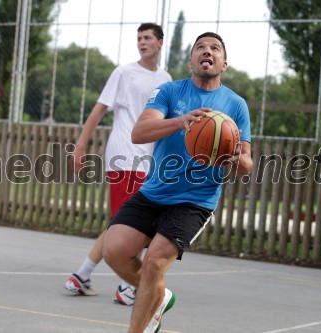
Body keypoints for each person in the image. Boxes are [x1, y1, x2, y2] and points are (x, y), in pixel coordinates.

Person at [102, 32, 253, 333]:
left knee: (155, 262)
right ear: (191, 60)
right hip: (154, 192)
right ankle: (160, 296)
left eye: (214, 48)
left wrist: (232, 156)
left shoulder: (235, 105)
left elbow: (247, 165)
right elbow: (139, 132)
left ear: (224, 63)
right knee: (113, 250)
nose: (207, 51)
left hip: (195, 200)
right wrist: (181, 121)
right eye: (200, 47)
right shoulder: (169, 92)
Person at [63, 23, 171, 305]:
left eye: (148, 38)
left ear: (160, 42)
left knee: (122, 224)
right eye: (139, 38)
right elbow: (99, 109)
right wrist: (81, 145)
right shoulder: (124, 72)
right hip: (125, 157)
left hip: (149, 162)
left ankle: (82, 275)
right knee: (129, 226)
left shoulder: (166, 78)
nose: (142, 42)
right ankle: (126, 286)